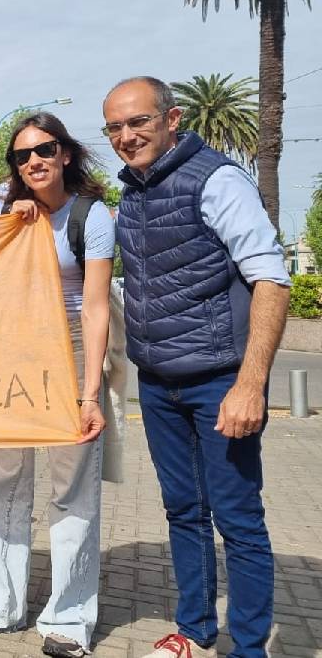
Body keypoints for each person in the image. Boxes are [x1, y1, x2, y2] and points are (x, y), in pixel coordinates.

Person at [103, 77, 290, 658]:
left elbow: (271, 281)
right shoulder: (131, 192)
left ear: (172, 118)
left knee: (238, 521)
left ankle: (250, 647)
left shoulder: (217, 179)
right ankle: (193, 631)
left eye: (138, 122)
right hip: (158, 384)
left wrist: (249, 385)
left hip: (218, 383)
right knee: (183, 513)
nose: (127, 136)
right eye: (114, 127)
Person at [0, 113, 114, 658]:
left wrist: (90, 393)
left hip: (68, 349)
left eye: (44, 150)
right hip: (9, 351)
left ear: (65, 153)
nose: (33, 162)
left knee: (71, 488)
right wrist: (10, 227)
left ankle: (69, 617)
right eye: (22, 156)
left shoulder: (93, 215)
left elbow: (96, 309)